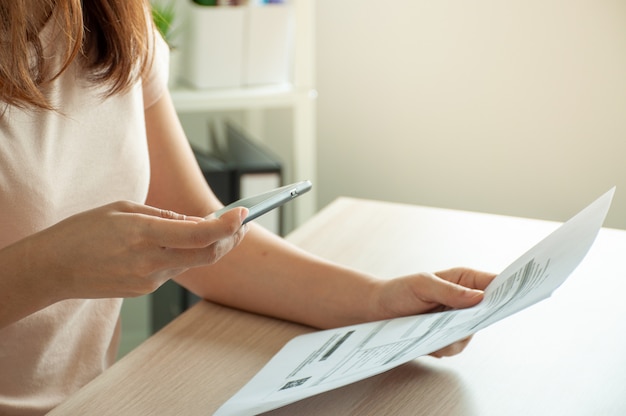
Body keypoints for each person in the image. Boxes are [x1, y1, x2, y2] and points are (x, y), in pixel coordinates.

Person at [0, 1, 496, 414]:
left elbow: (201, 234)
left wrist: (378, 303)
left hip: (91, 401)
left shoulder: (114, 20)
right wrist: (51, 267)